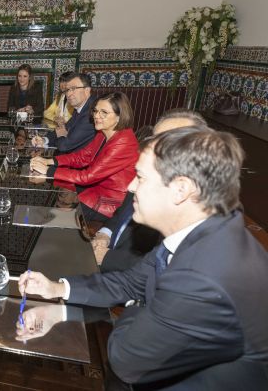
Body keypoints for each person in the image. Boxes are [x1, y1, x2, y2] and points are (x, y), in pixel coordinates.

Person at [19, 127, 268, 390]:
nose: (130, 185)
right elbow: (130, 282)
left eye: (141, 177)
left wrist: (140, 302)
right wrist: (58, 288)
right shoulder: (202, 231)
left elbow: (125, 358)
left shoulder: (204, 278)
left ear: (181, 189)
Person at [93, 109, 208, 271]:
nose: (157, 148)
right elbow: (121, 214)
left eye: (170, 142)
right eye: (157, 139)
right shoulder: (148, 173)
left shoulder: (189, 205)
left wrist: (107, 257)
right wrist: (105, 234)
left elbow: (158, 266)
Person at [31, 91, 139, 221]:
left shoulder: (123, 142)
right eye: (95, 111)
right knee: (43, 193)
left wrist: (49, 171)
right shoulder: (104, 132)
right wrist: (50, 161)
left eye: (104, 112)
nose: (97, 116)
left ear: (119, 116)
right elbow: (82, 157)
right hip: (95, 189)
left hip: (109, 202)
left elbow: (88, 176)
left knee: (54, 215)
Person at [32, 72, 96, 153]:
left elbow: (64, 146)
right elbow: (64, 129)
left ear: (87, 90)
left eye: (73, 89)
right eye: (67, 90)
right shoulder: (80, 108)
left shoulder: (92, 112)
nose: (68, 94)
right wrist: (44, 140)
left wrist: (62, 135)